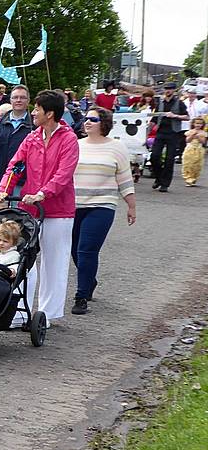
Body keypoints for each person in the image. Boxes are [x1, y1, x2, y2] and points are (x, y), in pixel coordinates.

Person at [0, 90, 80, 326]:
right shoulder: (32, 137)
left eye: (37, 109)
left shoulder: (68, 139)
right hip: (30, 208)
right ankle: (19, 313)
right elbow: (15, 165)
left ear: (49, 113)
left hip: (58, 210)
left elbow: (64, 174)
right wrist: (4, 188)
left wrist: (43, 193)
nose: (33, 112)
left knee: (54, 261)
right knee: (22, 259)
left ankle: (47, 314)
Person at [71, 108, 136, 315]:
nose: (87, 122)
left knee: (86, 249)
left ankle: (81, 297)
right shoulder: (75, 145)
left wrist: (131, 205)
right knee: (74, 250)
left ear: (104, 123)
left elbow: (125, 179)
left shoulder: (117, 147)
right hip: (73, 205)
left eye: (93, 119)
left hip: (101, 205)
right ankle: (89, 279)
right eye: (85, 118)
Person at [0, 85, 33, 197]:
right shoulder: (0, 123)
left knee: (18, 213)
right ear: (10, 100)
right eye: (15, 97)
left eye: (22, 97)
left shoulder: (34, 124)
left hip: (23, 180)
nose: (18, 100)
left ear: (28, 101)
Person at [149, 82, 188, 192]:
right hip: (160, 132)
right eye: (166, 89)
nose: (168, 91)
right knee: (154, 156)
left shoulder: (179, 103)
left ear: (174, 90)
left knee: (169, 159)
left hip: (173, 133)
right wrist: (148, 127)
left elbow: (187, 117)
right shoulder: (160, 102)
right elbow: (154, 119)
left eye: (170, 89)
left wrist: (175, 116)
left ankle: (165, 184)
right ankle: (158, 177)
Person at [182, 116, 208, 187]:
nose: (198, 125)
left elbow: (203, 142)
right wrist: (193, 135)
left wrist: (199, 137)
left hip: (199, 149)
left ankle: (194, 178)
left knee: (197, 165)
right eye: (197, 123)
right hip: (190, 148)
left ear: (203, 125)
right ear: (193, 124)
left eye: (200, 124)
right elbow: (187, 140)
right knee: (188, 164)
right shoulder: (190, 132)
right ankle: (188, 179)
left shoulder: (203, 133)